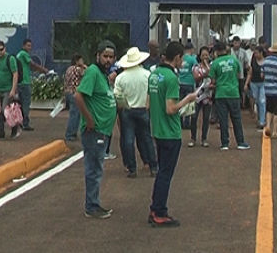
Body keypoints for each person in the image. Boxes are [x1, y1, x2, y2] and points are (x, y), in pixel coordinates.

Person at [147, 41, 198, 227]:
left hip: (158, 129)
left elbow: (148, 104)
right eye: (181, 58)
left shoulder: (154, 74)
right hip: (170, 132)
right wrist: (188, 99)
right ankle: (159, 211)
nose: (182, 61)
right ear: (176, 57)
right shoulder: (170, 78)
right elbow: (170, 109)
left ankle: (155, 208)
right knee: (165, 174)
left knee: (162, 171)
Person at [74, 40, 118, 219]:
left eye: (111, 57)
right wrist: (89, 120)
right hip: (94, 130)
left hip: (103, 130)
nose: (108, 60)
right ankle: (91, 206)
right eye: (105, 56)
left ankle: (94, 203)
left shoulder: (103, 75)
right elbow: (79, 96)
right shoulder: (93, 71)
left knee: (97, 168)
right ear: (98, 56)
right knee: (94, 169)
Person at [114, 47, 158, 179]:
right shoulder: (147, 74)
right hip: (143, 109)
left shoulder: (121, 78)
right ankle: (153, 167)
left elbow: (118, 96)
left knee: (128, 139)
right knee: (147, 138)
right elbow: (151, 92)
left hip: (128, 110)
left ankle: (132, 168)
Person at [210, 42, 250, 150]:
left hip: (220, 94)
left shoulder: (215, 63)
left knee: (223, 120)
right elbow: (238, 75)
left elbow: (213, 80)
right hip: (233, 93)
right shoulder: (234, 60)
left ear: (216, 51)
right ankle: (240, 142)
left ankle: (224, 143)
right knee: (236, 118)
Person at [16, 38, 48, 131]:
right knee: (26, 103)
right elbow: (32, 64)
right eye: (28, 45)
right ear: (23, 46)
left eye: (30, 46)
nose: (30, 48)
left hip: (19, 82)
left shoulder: (19, 55)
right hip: (25, 82)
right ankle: (25, 123)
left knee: (20, 103)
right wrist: (43, 70)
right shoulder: (24, 54)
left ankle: (19, 122)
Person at [0, 41, 21, 139]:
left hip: (7, 90)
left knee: (6, 111)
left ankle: (15, 129)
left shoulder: (10, 59)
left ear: (5, 49)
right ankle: (1, 132)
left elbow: (15, 74)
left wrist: (13, 89)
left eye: (1, 49)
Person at [189, 46, 213, 147]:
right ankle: (193, 138)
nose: (205, 57)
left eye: (206, 55)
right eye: (203, 55)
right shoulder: (196, 67)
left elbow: (214, 78)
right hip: (198, 95)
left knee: (206, 118)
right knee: (194, 117)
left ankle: (204, 138)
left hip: (208, 95)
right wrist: (205, 73)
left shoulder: (212, 66)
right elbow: (196, 78)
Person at [63, 54, 86, 142]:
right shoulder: (78, 69)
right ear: (77, 61)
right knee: (75, 114)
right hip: (75, 93)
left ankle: (72, 133)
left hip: (68, 92)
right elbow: (87, 73)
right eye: (81, 60)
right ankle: (70, 134)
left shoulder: (69, 69)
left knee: (74, 113)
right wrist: (84, 66)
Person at [245, 46, 267, 130]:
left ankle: (262, 121)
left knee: (262, 100)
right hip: (254, 83)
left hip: (263, 83)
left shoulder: (266, 61)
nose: (255, 54)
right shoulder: (253, 61)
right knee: (256, 100)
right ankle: (260, 117)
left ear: (261, 53)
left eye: (257, 53)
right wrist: (246, 83)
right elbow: (250, 73)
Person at [178, 42, 198, 129]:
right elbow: (196, 70)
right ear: (191, 49)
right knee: (188, 103)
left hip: (180, 82)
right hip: (189, 83)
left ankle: (180, 122)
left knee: (180, 103)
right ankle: (186, 123)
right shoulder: (192, 59)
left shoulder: (181, 58)